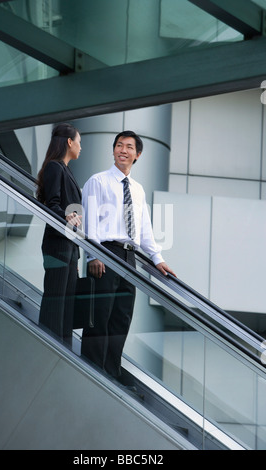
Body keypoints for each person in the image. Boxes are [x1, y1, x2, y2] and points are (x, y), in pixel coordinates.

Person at [81, 130, 176, 384]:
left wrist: (157, 258)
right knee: (99, 314)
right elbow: (89, 220)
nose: (123, 150)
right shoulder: (98, 181)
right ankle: (92, 368)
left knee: (121, 316)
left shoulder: (137, 189)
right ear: (113, 150)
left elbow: (144, 227)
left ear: (138, 155)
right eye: (119, 145)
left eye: (129, 147)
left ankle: (111, 371)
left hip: (129, 258)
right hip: (106, 253)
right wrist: (93, 255)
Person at [37, 123, 82, 346]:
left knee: (67, 304)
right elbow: (50, 205)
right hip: (57, 243)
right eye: (79, 142)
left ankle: (63, 350)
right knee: (56, 301)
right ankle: (49, 346)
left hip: (69, 246)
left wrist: (77, 256)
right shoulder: (55, 167)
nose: (81, 147)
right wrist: (67, 217)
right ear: (69, 142)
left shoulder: (67, 170)